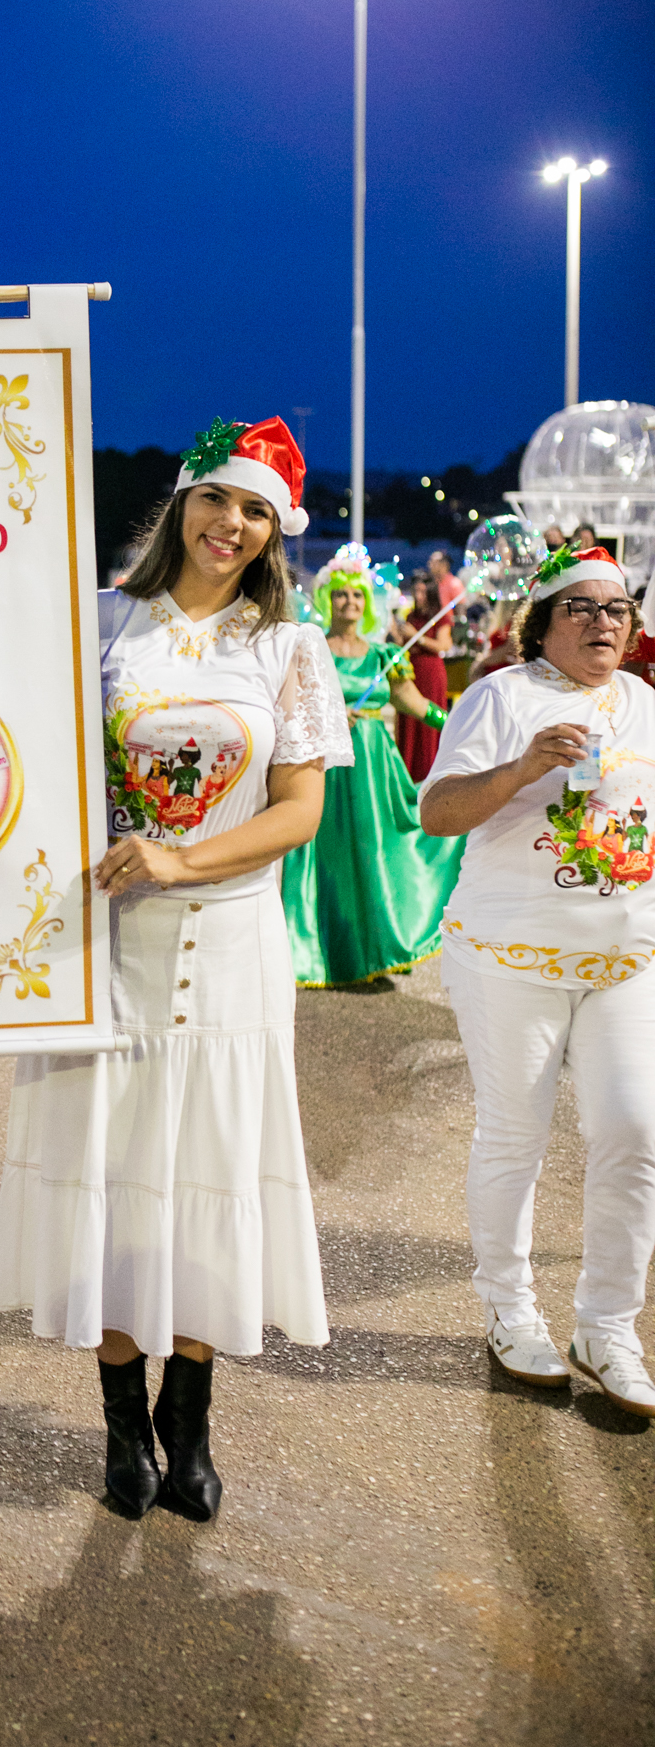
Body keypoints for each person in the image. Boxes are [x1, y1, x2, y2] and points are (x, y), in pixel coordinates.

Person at [0, 415, 352, 1521]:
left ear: (274, 530)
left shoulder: (288, 646)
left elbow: (301, 810)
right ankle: (120, 1427)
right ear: (179, 503)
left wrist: (183, 854)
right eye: (215, 500)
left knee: (207, 1180)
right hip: (103, 944)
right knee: (107, 1175)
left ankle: (187, 1421)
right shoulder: (98, 622)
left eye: (255, 511)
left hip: (232, 945)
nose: (230, 525)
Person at [420, 544, 655, 1415]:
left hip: (628, 961)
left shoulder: (643, 705)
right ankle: (510, 1311)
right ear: (542, 624)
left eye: (616, 608)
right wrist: (522, 766)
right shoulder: (500, 696)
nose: (602, 620)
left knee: (635, 1130)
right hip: (510, 954)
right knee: (514, 1136)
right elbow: (436, 813)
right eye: (581, 607)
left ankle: (607, 1325)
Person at [281, 545, 465, 986]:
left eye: (358, 596)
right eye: (342, 595)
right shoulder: (308, 649)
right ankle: (319, 952)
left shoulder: (386, 657)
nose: (350, 603)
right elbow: (286, 703)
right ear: (328, 598)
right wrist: (322, 715)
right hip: (324, 767)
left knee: (374, 855)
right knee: (324, 857)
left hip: (374, 771)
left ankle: (377, 946)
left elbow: (416, 705)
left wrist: (459, 721)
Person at [396, 572, 453, 782]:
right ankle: (408, 774)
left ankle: (429, 773)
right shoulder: (410, 616)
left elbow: (443, 646)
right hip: (411, 672)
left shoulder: (441, 615)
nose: (419, 596)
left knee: (427, 723)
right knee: (410, 722)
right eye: (415, 591)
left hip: (431, 673)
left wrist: (416, 637)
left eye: (422, 591)